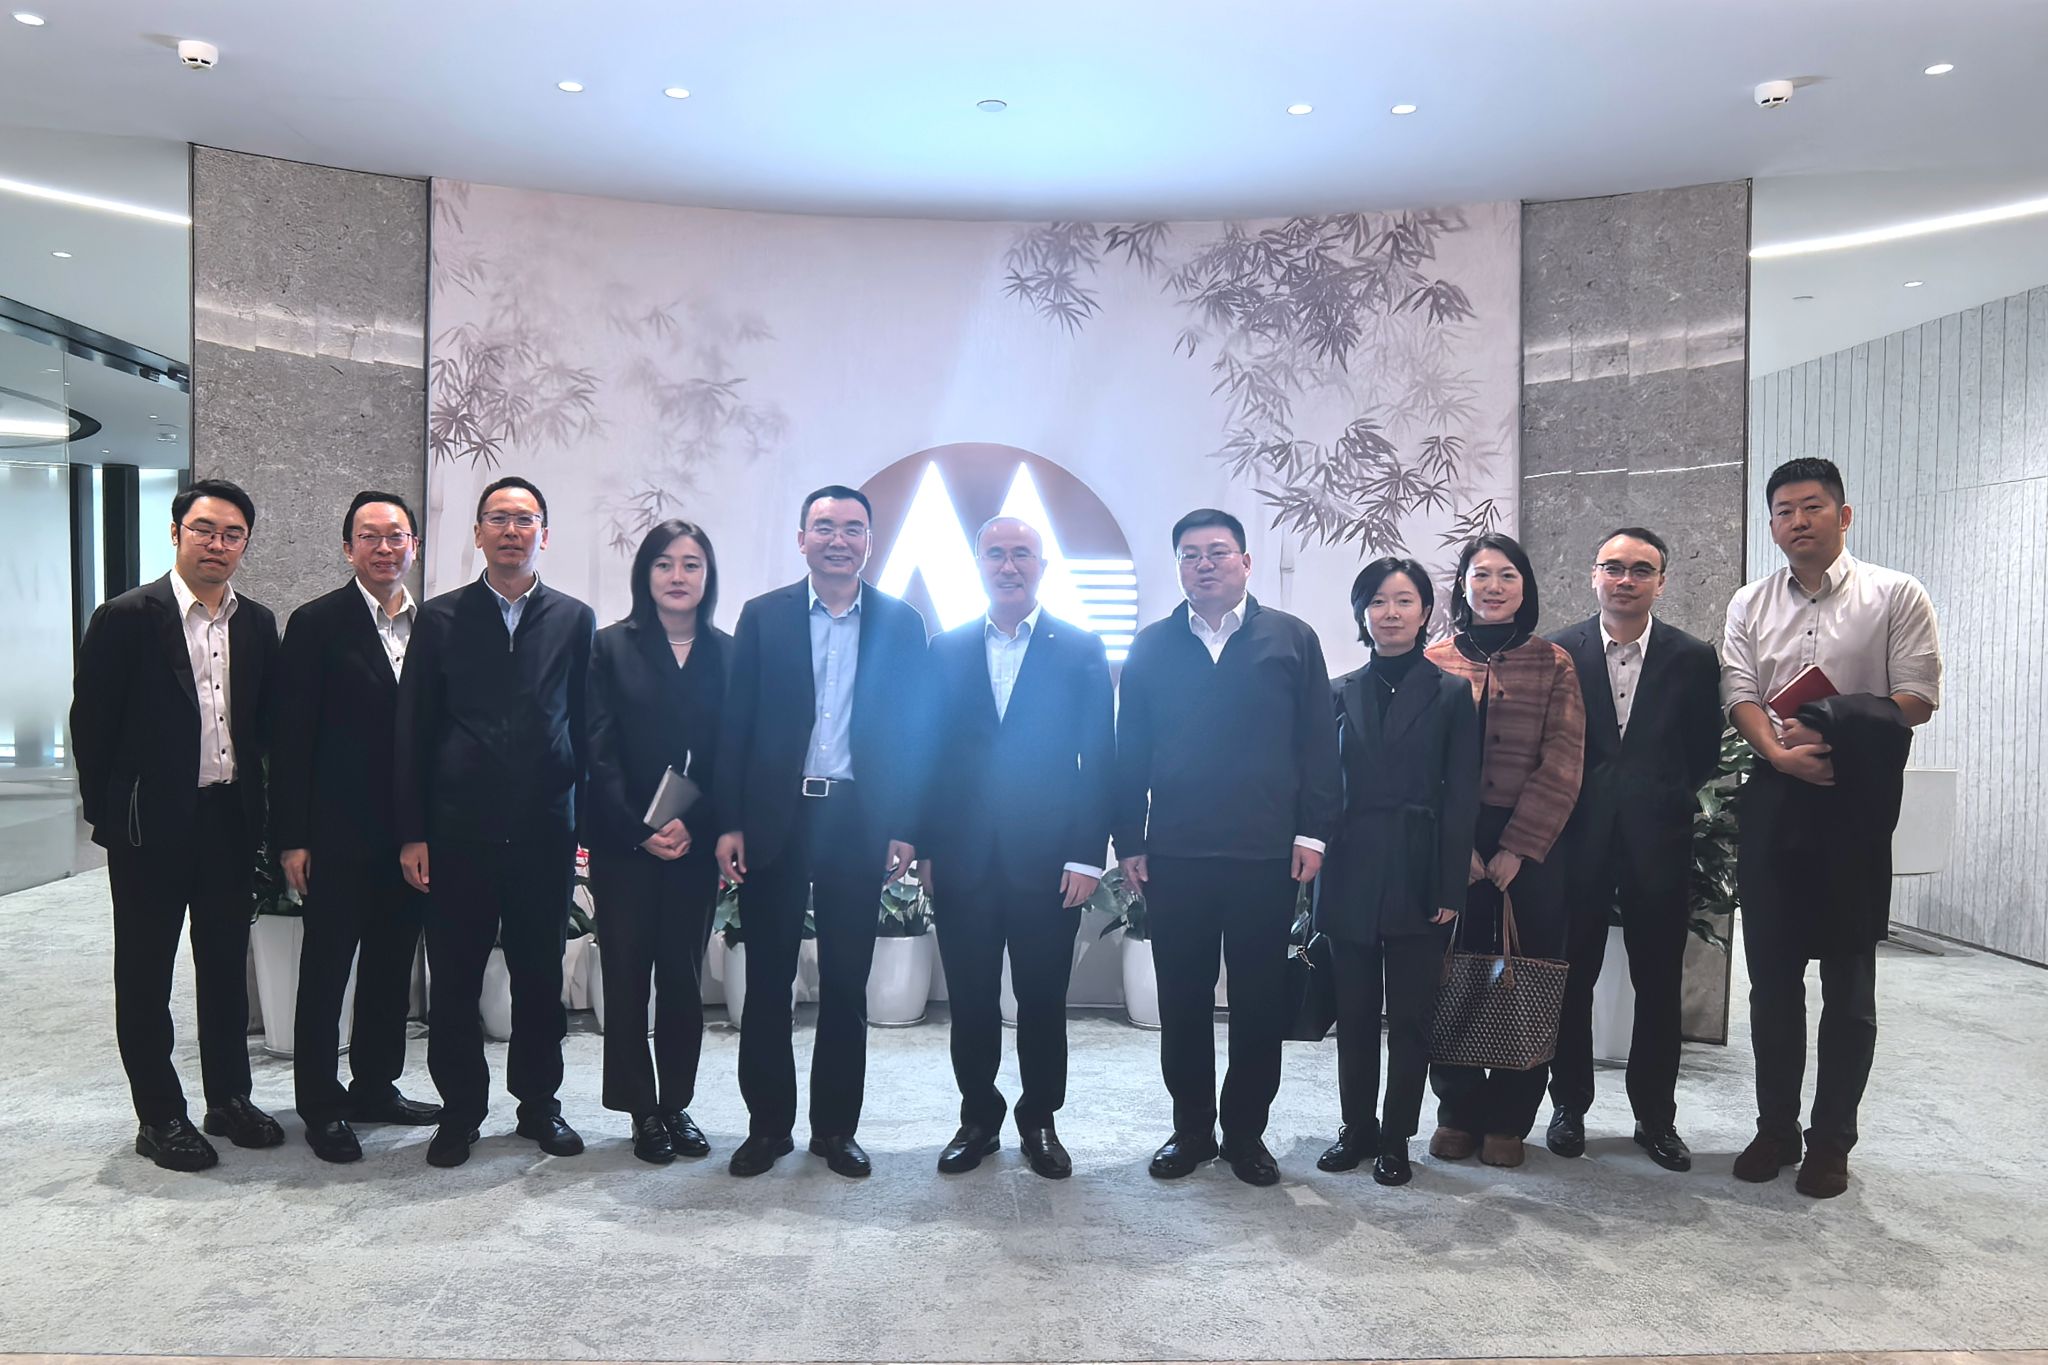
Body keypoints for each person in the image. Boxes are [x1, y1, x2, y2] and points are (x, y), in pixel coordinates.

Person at [1721, 457, 1941, 1199]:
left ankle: (1832, 1140)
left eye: (1812, 507)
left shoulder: (1896, 593)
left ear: (1843, 515)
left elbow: (1916, 696)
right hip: (1776, 797)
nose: (1798, 521)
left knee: (1848, 986)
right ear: (1772, 524)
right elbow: (1740, 692)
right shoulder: (1750, 601)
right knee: (1772, 983)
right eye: (1784, 511)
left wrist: (1832, 720)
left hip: (1854, 802)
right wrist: (1778, 752)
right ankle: (1775, 1127)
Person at [1113, 508, 1341, 1187]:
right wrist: (1130, 839)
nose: (1204, 564)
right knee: (1182, 998)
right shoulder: (1152, 647)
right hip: (1175, 854)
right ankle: (1190, 1129)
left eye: (1217, 551)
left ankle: (1245, 1132)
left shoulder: (1291, 639)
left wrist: (1312, 832)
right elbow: (1130, 752)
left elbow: (1317, 745)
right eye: (1190, 554)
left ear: (1246, 561)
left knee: (1258, 1001)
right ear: (1179, 567)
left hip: (1265, 854)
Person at [714, 485, 931, 1179]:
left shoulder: (901, 623)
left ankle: (835, 1130)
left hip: (858, 817)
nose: (839, 539)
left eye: (853, 528)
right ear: (802, 538)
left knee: (845, 980)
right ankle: (767, 1127)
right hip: (776, 816)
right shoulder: (763, 616)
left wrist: (906, 824)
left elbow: (915, 733)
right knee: (767, 979)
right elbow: (735, 724)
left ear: (869, 541)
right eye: (825, 527)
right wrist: (729, 821)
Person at [70, 477, 282, 1171]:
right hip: (150, 827)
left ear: (245, 543)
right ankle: (159, 1114)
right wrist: (113, 817)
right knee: (145, 972)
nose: (217, 544)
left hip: (228, 819)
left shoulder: (257, 623)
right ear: (176, 533)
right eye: (204, 530)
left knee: (222, 967)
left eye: (232, 534)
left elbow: (262, 728)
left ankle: (229, 1098)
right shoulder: (127, 616)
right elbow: (91, 727)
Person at [395, 476, 596, 1168]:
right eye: (499, 519)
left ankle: (539, 1104)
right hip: (457, 832)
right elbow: (414, 728)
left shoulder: (573, 619)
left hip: (544, 830)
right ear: (477, 533)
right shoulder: (441, 619)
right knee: (455, 979)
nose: (512, 531)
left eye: (525, 519)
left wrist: (585, 821)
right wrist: (413, 831)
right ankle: (460, 1112)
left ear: (545, 533)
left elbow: (587, 727)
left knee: (540, 975)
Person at [920, 516, 1115, 1180]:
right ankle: (978, 1118)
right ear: (978, 563)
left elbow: (1100, 758)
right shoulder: (945, 648)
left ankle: (1039, 1120)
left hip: (1051, 861)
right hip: (962, 858)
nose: (1009, 565)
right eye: (996, 554)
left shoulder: (1080, 647)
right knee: (970, 999)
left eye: (1022, 554)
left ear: (1042, 565)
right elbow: (928, 755)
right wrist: (926, 846)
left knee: (1041, 999)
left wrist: (1087, 855)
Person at [1543, 528, 1724, 1173]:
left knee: (1658, 982)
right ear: (1593, 575)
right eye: (1613, 567)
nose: (1626, 580)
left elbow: (1704, 751)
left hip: (1659, 842)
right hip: (1576, 839)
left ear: (1661, 582)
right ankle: (1569, 1108)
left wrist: (1661, 798)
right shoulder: (1559, 650)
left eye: (1641, 570)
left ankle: (1655, 1117)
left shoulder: (1692, 657)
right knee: (1572, 978)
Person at [272, 491, 443, 1164]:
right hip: (335, 835)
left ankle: (375, 1086)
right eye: (369, 536)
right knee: (326, 971)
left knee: (390, 968)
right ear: (348, 548)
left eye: (396, 536)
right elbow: (290, 739)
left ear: (414, 546)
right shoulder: (317, 623)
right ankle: (320, 1104)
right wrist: (292, 837)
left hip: (411, 838)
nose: (384, 547)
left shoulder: (435, 626)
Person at [1315, 558, 1479, 1186]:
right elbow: (1319, 789)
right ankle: (1356, 1129)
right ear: (1362, 613)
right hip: (1349, 864)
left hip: (1419, 866)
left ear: (1425, 611)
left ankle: (1395, 1138)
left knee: (1410, 1018)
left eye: (1404, 600)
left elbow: (1461, 796)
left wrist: (1450, 885)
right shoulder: (1337, 690)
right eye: (1378, 601)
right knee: (1354, 1014)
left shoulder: (1451, 693)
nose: (1391, 612)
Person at [1424, 532, 1585, 1169]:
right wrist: (1453, 846)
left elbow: (1564, 760)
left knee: (1528, 975)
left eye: (1507, 575)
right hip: (1451, 839)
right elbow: (1421, 767)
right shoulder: (1434, 659)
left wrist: (1518, 846)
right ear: (1462, 586)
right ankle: (1457, 1110)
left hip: (1534, 844)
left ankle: (1511, 1118)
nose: (1493, 586)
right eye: (1481, 574)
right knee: (1449, 972)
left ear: (1525, 588)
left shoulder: (1554, 662)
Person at [585, 520, 729, 1165]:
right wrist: (638, 831)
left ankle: (675, 1103)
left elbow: (734, 752)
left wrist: (696, 822)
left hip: (694, 843)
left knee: (680, 977)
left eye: (691, 564)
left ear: (707, 577)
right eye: (664, 563)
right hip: (625, 845)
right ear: (645, 574)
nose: (677, 576)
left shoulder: (728, 654)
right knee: (625, 975)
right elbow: (597, 749)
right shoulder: (610, 647)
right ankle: (640, 1109)